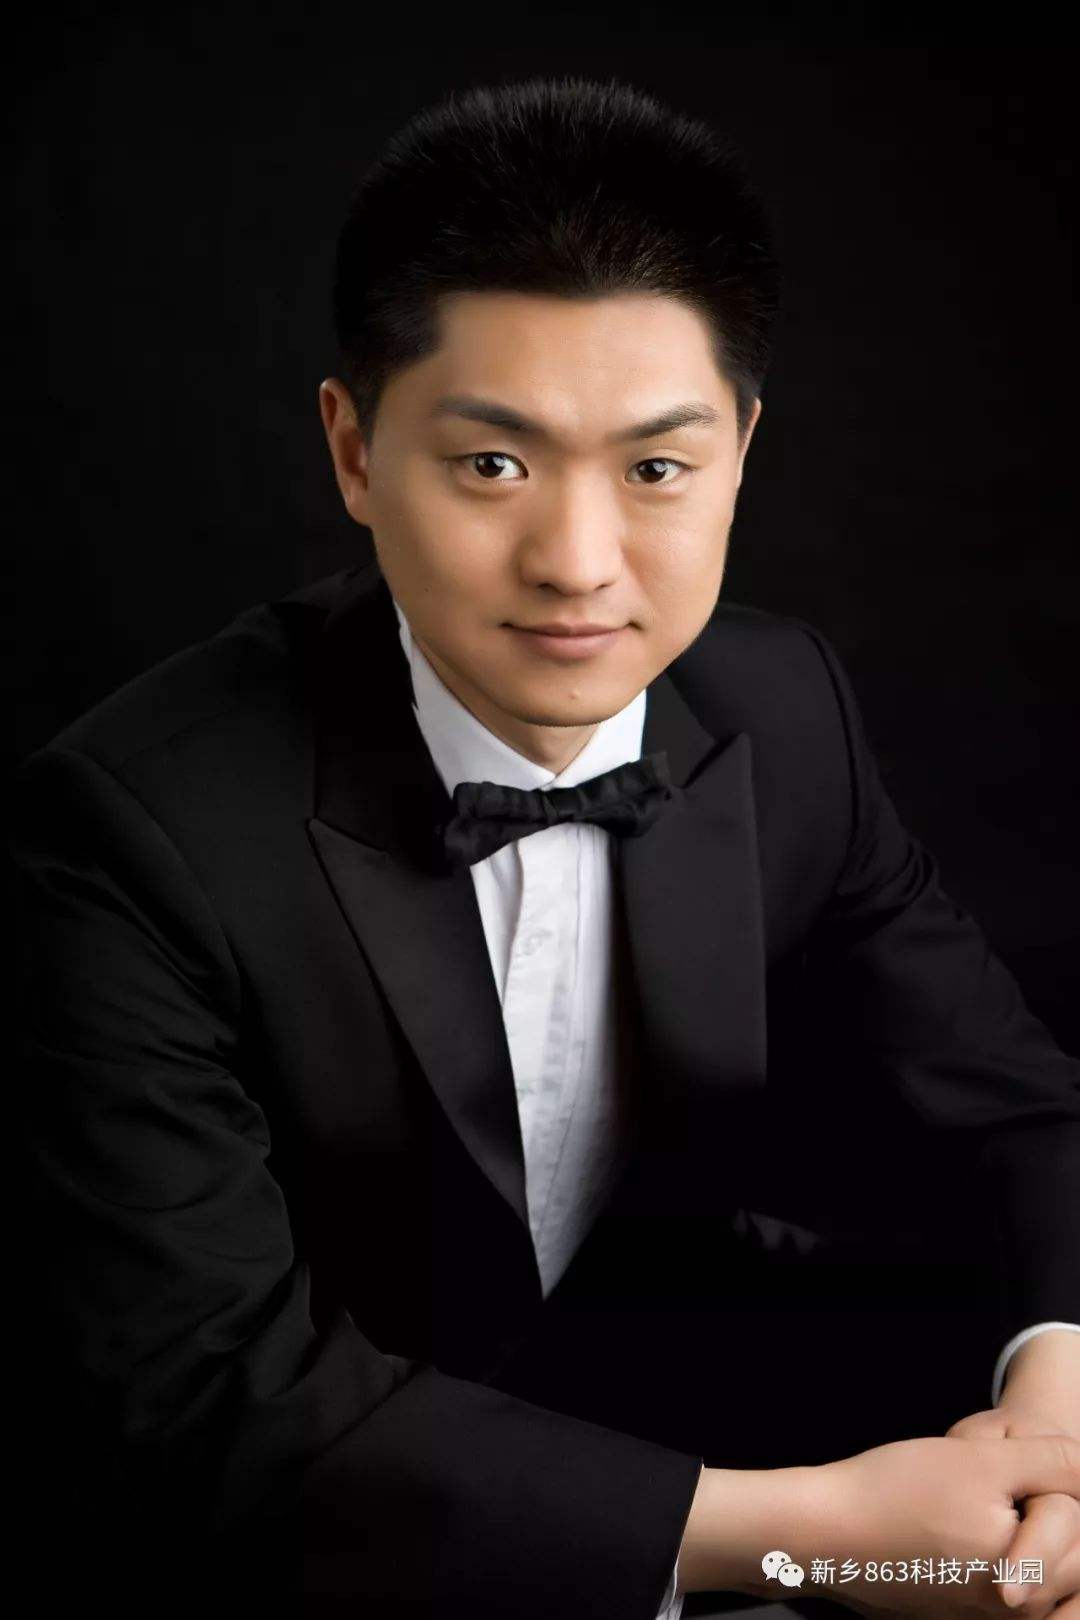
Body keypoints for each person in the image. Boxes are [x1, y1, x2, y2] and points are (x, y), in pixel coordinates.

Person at [14, 75, 1080, 1620]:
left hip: (677, 1412)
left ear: (741, 452)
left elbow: (1014, 1114)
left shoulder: (783, 708)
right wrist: (812, 1537)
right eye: (494, 465)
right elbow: (208, 1403)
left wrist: (1057, 1414)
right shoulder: (125, 834)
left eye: (656, 468)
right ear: (355, 451)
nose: (579, 564)